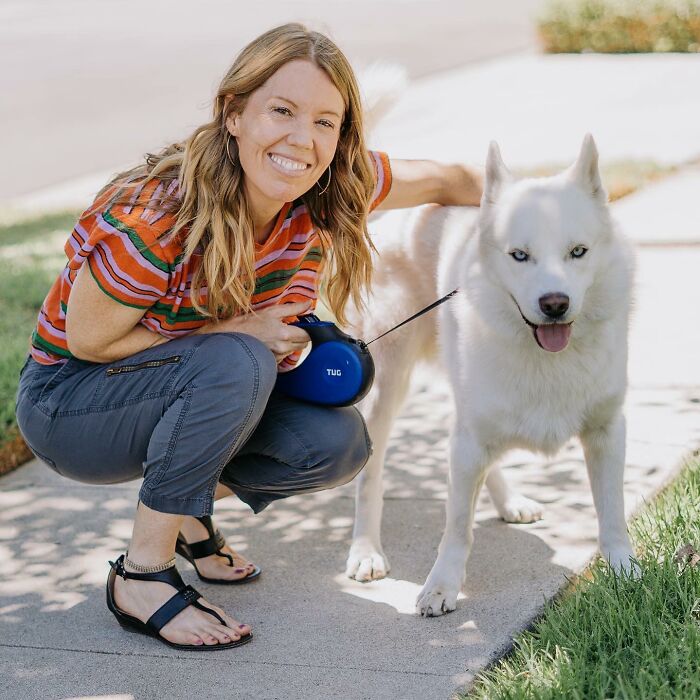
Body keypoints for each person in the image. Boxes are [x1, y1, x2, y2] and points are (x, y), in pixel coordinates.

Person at [14, 22, 483, 651]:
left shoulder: (329, 183)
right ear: (233, 113)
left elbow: (454, 179)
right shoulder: (159, 212)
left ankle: (183, 513)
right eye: (281, 111)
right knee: (235, 360)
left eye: (326, 121)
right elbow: (89, 343)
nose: (303, 139)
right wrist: (233, 333)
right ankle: (141, 576)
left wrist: (552, 227)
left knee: (336, 442)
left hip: (188, 382)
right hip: (71, 404)